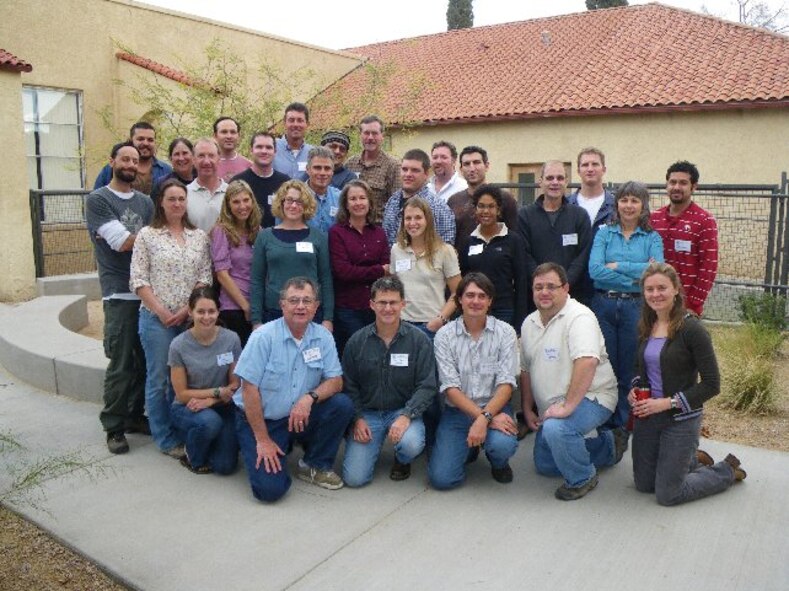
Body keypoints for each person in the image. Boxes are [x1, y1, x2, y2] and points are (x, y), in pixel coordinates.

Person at [629, 262, 745, 506]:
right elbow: (641, 368)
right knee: (643, 485)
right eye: (649, 289)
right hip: (648, 416)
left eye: (662, 288)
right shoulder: (645, 325)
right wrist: (635, 389)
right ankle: (690, 460)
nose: (655, 294)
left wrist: (667, 403)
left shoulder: (692, 329)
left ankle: (726, 470)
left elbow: (712, 384)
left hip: (680, 418)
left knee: (668, 494)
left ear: (676, 290)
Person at [233, 277, 354, 502]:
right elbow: (248, 390)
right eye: (294, 300)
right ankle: (259, 443)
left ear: (316, 306)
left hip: (298, 415)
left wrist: (309, 398)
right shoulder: (263, 337)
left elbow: (336, 381)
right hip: (262, 420)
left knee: (341, 405)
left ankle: (314, 464)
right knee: (270, 491)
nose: (300, 306)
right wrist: (262, 439)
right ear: (282, 305)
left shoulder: (323, 336)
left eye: (307, 301)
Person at [519, 263, 628, 501]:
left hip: (593, 396)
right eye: (539, 287)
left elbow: (587, 362)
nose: (544, 292)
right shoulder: (529, 323)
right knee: (545, 463)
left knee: (559, 429)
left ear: (566, 288)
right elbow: (525, 370)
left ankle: (582, 478)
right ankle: (609, 446)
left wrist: (567, 407)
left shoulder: (580, 317)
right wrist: (528, 408)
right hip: (553, 404)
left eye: (551, 286)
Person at [130, 178, 212, 458]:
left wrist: (188, 311)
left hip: (190, 321)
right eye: (171, 199)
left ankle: (184, 430)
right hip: (157, 321)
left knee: (187, 380)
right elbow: (138, 279)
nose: (177, 204)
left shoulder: (198, 236)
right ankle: (165, 438)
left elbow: (204, 276)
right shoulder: (147, 236)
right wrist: (162, 311)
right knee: (159, 380)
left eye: (181, 199)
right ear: (161, 203)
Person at [86, 142, 154, 454]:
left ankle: (133, 415)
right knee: (122, 362)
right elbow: (123, 242)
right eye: (124, 158)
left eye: (135, 159)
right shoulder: (99, 200)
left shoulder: (145, 203)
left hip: (148, 294)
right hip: (120, 292)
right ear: (112, 161)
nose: (130, 163)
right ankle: (113, 425)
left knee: (143, 362)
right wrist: (159, 237)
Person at [342, 276, 437, 486]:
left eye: (393, 302)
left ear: (403, 304)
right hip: (368, 414)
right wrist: (357, 418)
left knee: (411, 444)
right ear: (372, 305)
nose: (388, 308)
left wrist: (407, 415)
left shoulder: (418, 340)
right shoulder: (357, 341)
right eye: (382, 303)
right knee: (354, 479)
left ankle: (403, 459)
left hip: (402, 411)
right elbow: (349, 384)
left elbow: (427, 385)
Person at [429, 273, 520, 489]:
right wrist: (482, 419)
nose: (475, 301)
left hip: (496, 408)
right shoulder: (445, 335)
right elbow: (450, 388)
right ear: (459, 299)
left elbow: (506, 384)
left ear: (490, 301)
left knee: (502, 445)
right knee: (442, 480)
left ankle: (498, 462)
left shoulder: (505, 332)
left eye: (482, 296)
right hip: (457, 411)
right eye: (469, 295)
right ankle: (469, 447)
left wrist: (486, 417)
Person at [589, 181, 664, 429]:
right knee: (605, 364)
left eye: (634, 200)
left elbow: (656, 272)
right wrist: (636, 277)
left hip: (636, 307)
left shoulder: (652, 237)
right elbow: (595, 271)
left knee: (630, 366)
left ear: (643, 205)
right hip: (604, 304)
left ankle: (621, 424)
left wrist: (619, 266)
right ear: (616, 203)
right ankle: (603, 420)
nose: (628, 205)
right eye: (624, 200)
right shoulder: (604, 233)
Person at [169, 287, 240, 475]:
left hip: (222, 405)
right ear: (190, 312)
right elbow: (181, 394)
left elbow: (235, 384)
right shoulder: (178, 345)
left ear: (218, 311)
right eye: (200, 311)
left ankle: (210, 441)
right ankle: (192, 456)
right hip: (187, 407)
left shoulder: (231, 339)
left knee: (225, 467)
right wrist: (216, 392)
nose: (206, 317)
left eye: (211, 311)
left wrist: (212, 400)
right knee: (209, 423)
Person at [249, 180, 334, 330]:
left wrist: (328, 318)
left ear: (306, 205)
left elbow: (326, 279)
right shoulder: (265, 237)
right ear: (281, 203)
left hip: (310, 313)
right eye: (289, 200)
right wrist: (256, 319)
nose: (293, 205)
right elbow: (257, 279)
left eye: (299, 201)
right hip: (274, 311)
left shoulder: (318, 237)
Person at [518, 160, 592, 305]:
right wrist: (543, 286)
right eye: (550, 178)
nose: (555, 182)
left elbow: (583, 255)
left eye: (560, 178)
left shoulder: (579, 216)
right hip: (536, 298)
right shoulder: (524, 216)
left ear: (566, 182)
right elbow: (524, 255)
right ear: (540, 182)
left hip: (571, 295)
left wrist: (563, 285)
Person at [328, 180, 389, 356]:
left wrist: (370, 271)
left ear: (370, 202)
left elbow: (387, 268)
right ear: (345, 204)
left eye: (362, 198)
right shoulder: (336, 233)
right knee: (355, 354)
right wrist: (379, 270)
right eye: (353, 199)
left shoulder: (379, 233)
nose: (358, 202)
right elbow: (343, 272)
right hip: (348, 308)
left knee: (375, 354)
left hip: (375, 307)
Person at [650, 161, 718, 316]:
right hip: (655, 302)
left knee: (679, 341)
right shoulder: (654, 219)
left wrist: (693, 304)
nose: (676, 187)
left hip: (685, 307)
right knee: (654, 340)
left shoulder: (704, 221)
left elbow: (709, 267)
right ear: (666, 185)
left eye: (683, 183)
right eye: (672, 182)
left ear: (694, 187)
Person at [458, 184, 528, 329]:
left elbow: (521, 281)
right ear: (475, 209)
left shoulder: (513, 240)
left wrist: (520, 320)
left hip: (504, 311)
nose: (485, 211)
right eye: (481, 206)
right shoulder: (468, 241)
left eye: (491, 206)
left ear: (498, 210)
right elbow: (462, 280)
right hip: (474, 309)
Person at [391, 197, 460, 339]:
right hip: (402, 325)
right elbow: (394, 289)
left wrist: (440, 319)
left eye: (418, 218)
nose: (412, 223)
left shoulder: (445, 251)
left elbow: (458, 292)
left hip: (432, 327)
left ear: (427, 220)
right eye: (408, 218)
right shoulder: (396, 250)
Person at [210, 179, 262, 347]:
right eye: (236, 202)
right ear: (228, 206)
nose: (242, 206)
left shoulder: (258, 231)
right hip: (234, 307)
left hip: (256, 305)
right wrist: (245, 306)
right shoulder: (221, 231)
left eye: (246, 200)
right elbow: (222, 275)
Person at [447, 145, 519, 255]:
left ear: (486, 166)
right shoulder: (454, 201)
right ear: (461, 170)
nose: (472, 168)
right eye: (467, 164)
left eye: (476, 162)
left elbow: (515, 238)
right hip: (463, 266)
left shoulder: (505, 199)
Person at [567, 147, 617, 303]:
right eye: (585, 165)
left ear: (604, 169)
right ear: (578, 170)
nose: (590, 169)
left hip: (606, 288)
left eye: (595, 164)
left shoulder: (617, 206)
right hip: (572, 286)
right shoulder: (566, 206)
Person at [382, 149, 455, 246]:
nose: (408, 174)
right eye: (404, 169)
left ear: (426, 174)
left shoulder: (438, 208)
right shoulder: (392, 202)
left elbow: (446, 249)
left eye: (415, 170)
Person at [346, 115, 401, 223]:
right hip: (352, 228)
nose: (370, 137)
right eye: (366, 133)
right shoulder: (350, 164)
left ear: (382, 136)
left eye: (375, 133)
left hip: (379, 229)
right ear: (360, 135)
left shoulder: (393, 166)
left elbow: (396, 205)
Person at [93, 121, 171, 195]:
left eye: (150, 140)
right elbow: (97, 197)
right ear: (131, 140)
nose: (146, 143)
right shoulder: (112, 168)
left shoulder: (166, 170)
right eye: (140, 139)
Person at [231, 131, 289, 229]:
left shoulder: (285, 183)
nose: (264, 151)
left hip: (278, 240)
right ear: (251, 150)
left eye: (269, 147)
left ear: (275, 152)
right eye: (259, 147)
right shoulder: (238, 182)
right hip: (245, 241)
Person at [186, 138, 228, 232]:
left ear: (219, 158)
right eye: (201, 156)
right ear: (193, 160)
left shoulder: (231, 193)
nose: (206, 161)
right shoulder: (184, 194)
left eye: (211, 156)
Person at [301, 146, 341, 233]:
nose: (322, 173)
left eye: (327, 168)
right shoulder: (295, 197)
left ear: (332, 172)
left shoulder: (340, 198)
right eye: (317, 168)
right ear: (307, 169)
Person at [272, 102, 313, 178]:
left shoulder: (313, 153)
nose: (295, 124)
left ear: (307, 124)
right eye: (291, 120)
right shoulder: (271, 147)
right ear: (284, 123)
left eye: (300, 120)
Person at [151, 137, 196, 202]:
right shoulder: (161, 184)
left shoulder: (202, 179)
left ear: (193, 155)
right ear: (170, 158)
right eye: (177, 154)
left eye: (185, 153)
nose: (181, 158)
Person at [213, 116, 252, 182]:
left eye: (233, 132)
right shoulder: (207, 165)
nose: (229, 136)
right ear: (215, 136)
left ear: (239, 136)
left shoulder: (249, 166)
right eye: (224, 132)